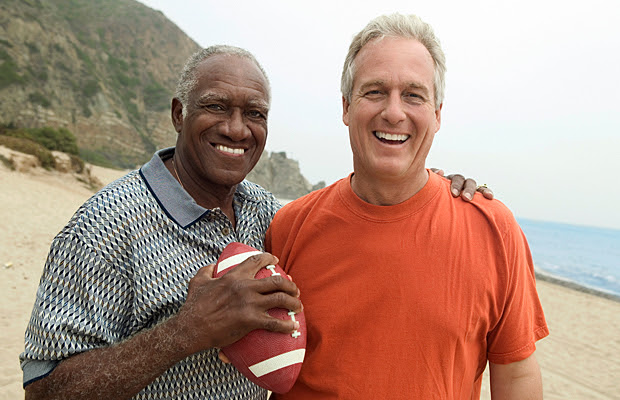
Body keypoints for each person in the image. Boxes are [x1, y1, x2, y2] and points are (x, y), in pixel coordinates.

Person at [20, 45, 486, 399]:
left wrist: (432, 186)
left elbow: (354, 222)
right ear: (179, 114)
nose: (237, 128)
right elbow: (42, 387)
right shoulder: (104, 226)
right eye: (217, 106)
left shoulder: (268, 216)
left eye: (255, 114)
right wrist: (184, 333)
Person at [265, 14, 548, 400]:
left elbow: (516, 378)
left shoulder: (494, 228)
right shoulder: (289, 226)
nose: (394, 112)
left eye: (414, 95)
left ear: (436, 115)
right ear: (347, 106)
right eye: (375, 91)